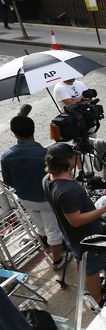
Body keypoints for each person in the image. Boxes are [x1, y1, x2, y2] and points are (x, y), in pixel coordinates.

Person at [43, 142, 106, 306]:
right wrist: (105, 208)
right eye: (73, 156)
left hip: (73, 236)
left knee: (82, 261)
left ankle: (88, 288)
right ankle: (98, 300)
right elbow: (75, 220)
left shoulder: (47, 179)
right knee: (91, 268)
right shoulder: (67, 191)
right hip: (85, 236)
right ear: (68, 160)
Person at [1, 112, 68, 269]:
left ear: (14, 133)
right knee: (53, 230)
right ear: (33, 130)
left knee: (41, 226)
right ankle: (57, 260)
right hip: (46, 199)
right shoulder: (45, 154)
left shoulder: (7, 156)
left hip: (25, 199)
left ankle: (47, 246)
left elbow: (8, 181)